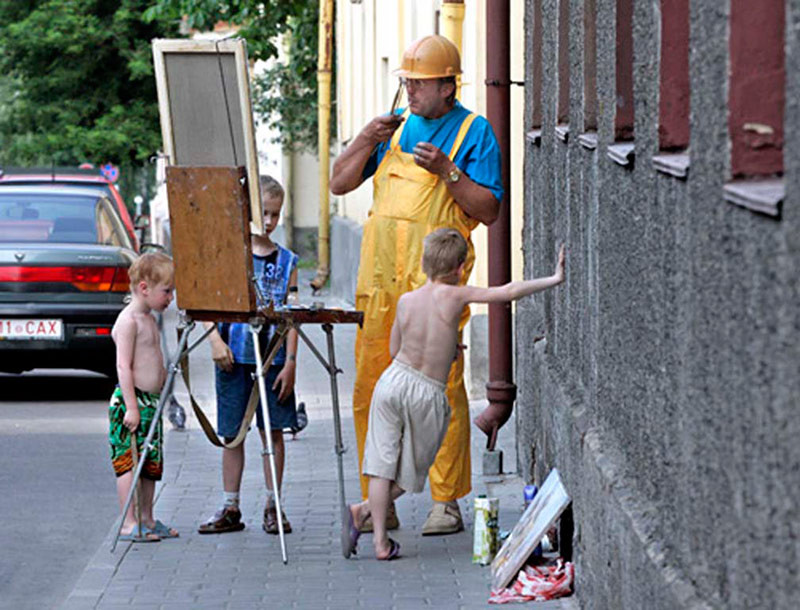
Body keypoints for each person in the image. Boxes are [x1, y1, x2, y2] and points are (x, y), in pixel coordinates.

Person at [330, 34, 503, 535]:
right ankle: (375, 501)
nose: (409, 91)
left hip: (437, 284)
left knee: (442, 388)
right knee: (370, 386)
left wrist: (447, 171)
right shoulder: (391, 130)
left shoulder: (474, 131)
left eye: (418, 83)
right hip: (381, 283)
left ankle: (445, 503)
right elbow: (340, 184)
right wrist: (365, 138)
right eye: (405, 81)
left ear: (448, 86)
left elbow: (489, 211)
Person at [344, 229, 565, 559]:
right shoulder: (456, 295)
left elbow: (396, 349)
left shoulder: (406, 300)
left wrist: (439, 347)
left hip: (392, 382)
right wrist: (555, 278)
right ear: (460, 268)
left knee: (381, 465)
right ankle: (362, 510)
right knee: (411, 473)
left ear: (423, 262)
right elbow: (507, 291)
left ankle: (378, 540)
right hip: (426, 392)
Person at [198, 176, 300, 536]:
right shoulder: (228, 254)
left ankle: (274, 504)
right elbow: (206, 301)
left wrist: (289, 363)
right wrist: (214, 341)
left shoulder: (287, 262)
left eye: (275, 214)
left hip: (271, 360)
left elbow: (291, 317)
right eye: (263, 213)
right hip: (231, 358)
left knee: (272, 433)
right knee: (232, 435)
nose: (269, 222)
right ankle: (231, 505)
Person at [109, 252, 178, 542]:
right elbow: (123, 365)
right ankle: (128, 522)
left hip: (151, 403)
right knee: (129, 461)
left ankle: (147, 518)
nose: (171, 298)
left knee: (151, 462)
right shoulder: (128, 322)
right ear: (144, 288)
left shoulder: (150, 317)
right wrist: (131, 407)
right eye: (167, 291)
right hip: (131, 402)